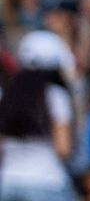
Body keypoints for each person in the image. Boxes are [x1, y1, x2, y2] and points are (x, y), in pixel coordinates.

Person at [0, 30, 76, 201]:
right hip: (47, 183)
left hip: (7, 181)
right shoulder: (55, 95)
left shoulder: (8, 95)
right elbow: (63, 148)